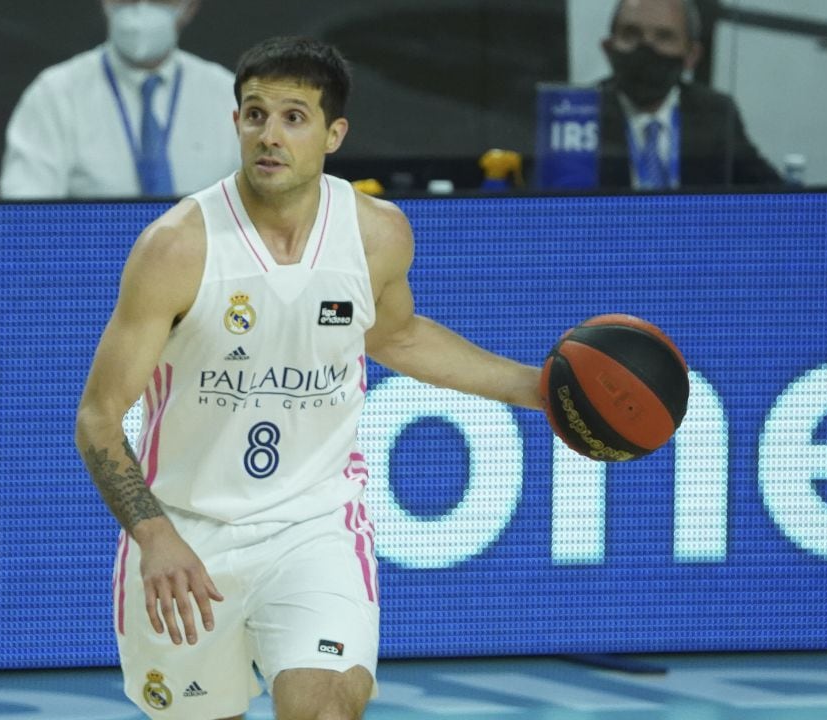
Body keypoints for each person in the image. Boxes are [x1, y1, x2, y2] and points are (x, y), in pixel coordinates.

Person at [75, 35, 544, 719]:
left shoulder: (377, 233)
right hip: (186, 533)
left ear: (334, 134)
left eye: (294, 116)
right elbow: (98, 417)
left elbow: (397, 335)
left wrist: (535, 388)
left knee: (326, 706)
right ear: (236, 122)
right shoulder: (176, 247)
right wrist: (155, 536)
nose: (269, 134)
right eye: (255, 113)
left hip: (313, 524)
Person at [0, 0, 240, 199]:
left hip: (205, 256)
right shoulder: (54, 95)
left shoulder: (227, 95)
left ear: (191, 7)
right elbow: (23, 214)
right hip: (90, 253)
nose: (142, 7)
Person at [597, 0, 782, 189]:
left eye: (664, 36)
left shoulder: (715, 113)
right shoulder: (580, 114)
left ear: (692, 55)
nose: (646, 48)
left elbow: (772, 194)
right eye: (631, 33)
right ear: (608, 48)